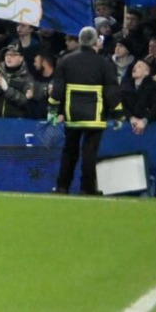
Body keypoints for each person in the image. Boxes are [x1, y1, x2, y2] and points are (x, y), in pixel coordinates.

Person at [53, 26, 116, 195]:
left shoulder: (65, 60)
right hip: (95, 115)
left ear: (80, 40)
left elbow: (57, 89)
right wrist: (118, 112)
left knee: (69, 151)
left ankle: (62, 186)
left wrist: (52, 110)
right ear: (96, 42)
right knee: (89, 153)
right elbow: (111, 90)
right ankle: (87, 188)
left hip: (72, 113)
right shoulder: (104, 63)